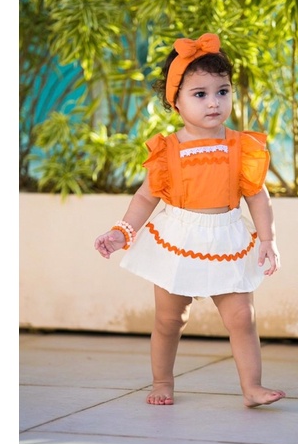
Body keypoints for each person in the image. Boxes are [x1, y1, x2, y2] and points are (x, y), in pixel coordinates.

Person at [94, 33, 286, 408]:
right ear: (176, 101)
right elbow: (145, 197)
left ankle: (252, 388)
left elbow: (257, 196)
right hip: (178, 239)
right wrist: (123, 232)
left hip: (227, 238)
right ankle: (162, 382)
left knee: (242, 317)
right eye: (200, 94)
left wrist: (268, 239)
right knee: (170, 319)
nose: (213, 102)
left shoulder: (241, 146)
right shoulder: (168, 151)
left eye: (222, 91)